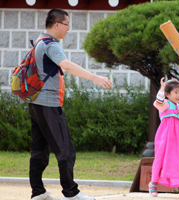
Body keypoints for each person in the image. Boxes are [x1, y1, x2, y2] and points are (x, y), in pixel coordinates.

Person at [29, 8, 113, 200]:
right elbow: (66, 65)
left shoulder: (38, 42)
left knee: (39, 149)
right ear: (57, 24)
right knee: (65, 149)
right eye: (67, 24)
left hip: (36, 104)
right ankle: (71, 192)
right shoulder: (51, 44)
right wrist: (95, 78)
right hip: (49, 105)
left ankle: (38, 192)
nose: (68, 29)